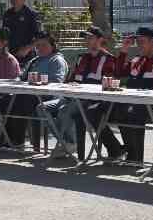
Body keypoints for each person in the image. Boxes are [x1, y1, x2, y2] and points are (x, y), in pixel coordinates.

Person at [42, 27, 123, 163]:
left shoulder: (109, 59)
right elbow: (70, 79)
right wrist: (69, 84)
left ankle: (70, 145)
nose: (87, 41)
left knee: (64, 112)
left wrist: (82, 87)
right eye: (85, 38)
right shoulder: (81, 58)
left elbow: (106, 84)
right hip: (72, 96)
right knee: (42, 108)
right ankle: (67, 142)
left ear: (100, 40)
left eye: (90, 38)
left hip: (92, 100)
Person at [116, 27, 153, 164]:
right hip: (133, 101)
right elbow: (118, 72)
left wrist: (135, 84)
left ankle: (136, 158)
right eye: (137, 42)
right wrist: (124, 49)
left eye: (142, 42)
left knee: (132, 112)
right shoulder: (138, 60)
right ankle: (130, 154)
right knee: (116, 109)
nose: (139, 45)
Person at [0, 0, 43, 64]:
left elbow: (39, 37)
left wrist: (27, 49)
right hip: (11, 56)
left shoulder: (31, 15)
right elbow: (4, 35)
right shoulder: (7, 14)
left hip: (27, 57)